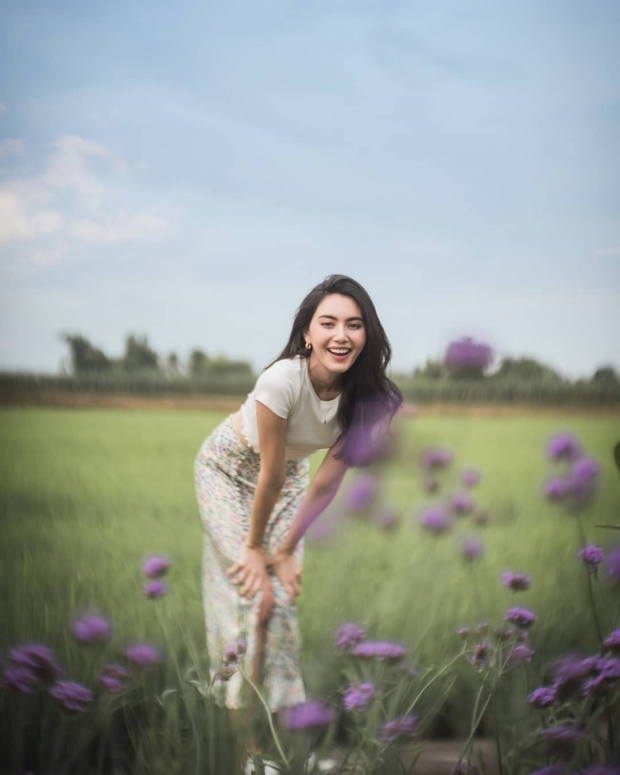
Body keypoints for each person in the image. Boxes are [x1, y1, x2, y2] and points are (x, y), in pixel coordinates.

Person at [193, 274, 402, 743]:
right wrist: (253, 548)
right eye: (328, 323)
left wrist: (286, 549)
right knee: (255, 598)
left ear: (367, 335)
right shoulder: (281, 379)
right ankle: (243, 750)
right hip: (228, 471)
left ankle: (286, 746)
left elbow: (327, 481)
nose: (341, 335)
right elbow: (265, 473)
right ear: (307, 333)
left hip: (288, 483)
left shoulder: (368, 400)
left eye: (354, 324)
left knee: (282, 604)